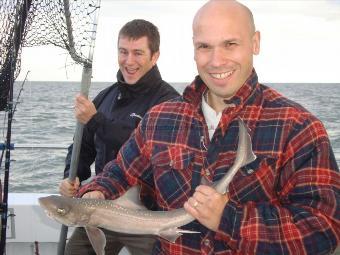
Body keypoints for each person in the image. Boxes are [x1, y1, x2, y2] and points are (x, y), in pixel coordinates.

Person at [77, 1, 340, 254]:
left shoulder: (299, 127)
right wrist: (96, 192)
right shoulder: (160, 119)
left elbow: (324, 227)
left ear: (255, 43)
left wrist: (230, 219)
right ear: (193, 49)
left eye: (230, 44)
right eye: (204, 46)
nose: (216, 60)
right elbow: (120, 172)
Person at [59, 19, 179, 255]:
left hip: (148, 214)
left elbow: (141, 148)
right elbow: (82, 145)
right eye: (123, 52)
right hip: (101, 203)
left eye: (138, 53)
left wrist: (96, 120)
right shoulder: (106, 97)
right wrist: (72, 177)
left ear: (154, 56)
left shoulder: (170, 102)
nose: (129, 61)